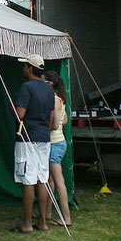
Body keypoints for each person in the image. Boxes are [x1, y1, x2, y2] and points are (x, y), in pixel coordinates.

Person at [10, 55, 54, 234]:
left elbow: (20, 114)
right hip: (44, 136)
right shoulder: (49, 89)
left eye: (25, 66)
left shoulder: (26, 87)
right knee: (41, 178)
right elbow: (52, 118)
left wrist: (12, 107)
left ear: (30, 68)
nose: (23, 69)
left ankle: (27, 223)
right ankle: (43, 221)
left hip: (28, 137)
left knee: (28, 180)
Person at [43, 70, 71, 227]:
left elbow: (54, 125)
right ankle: (47, 213)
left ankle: (66, 218)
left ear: (49, 84)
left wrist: (40, 129)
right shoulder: (61, 99)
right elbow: (64, 120)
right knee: (50, 180)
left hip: (54, 143)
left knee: (58, 180)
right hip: (59, 142)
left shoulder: (53, 100)